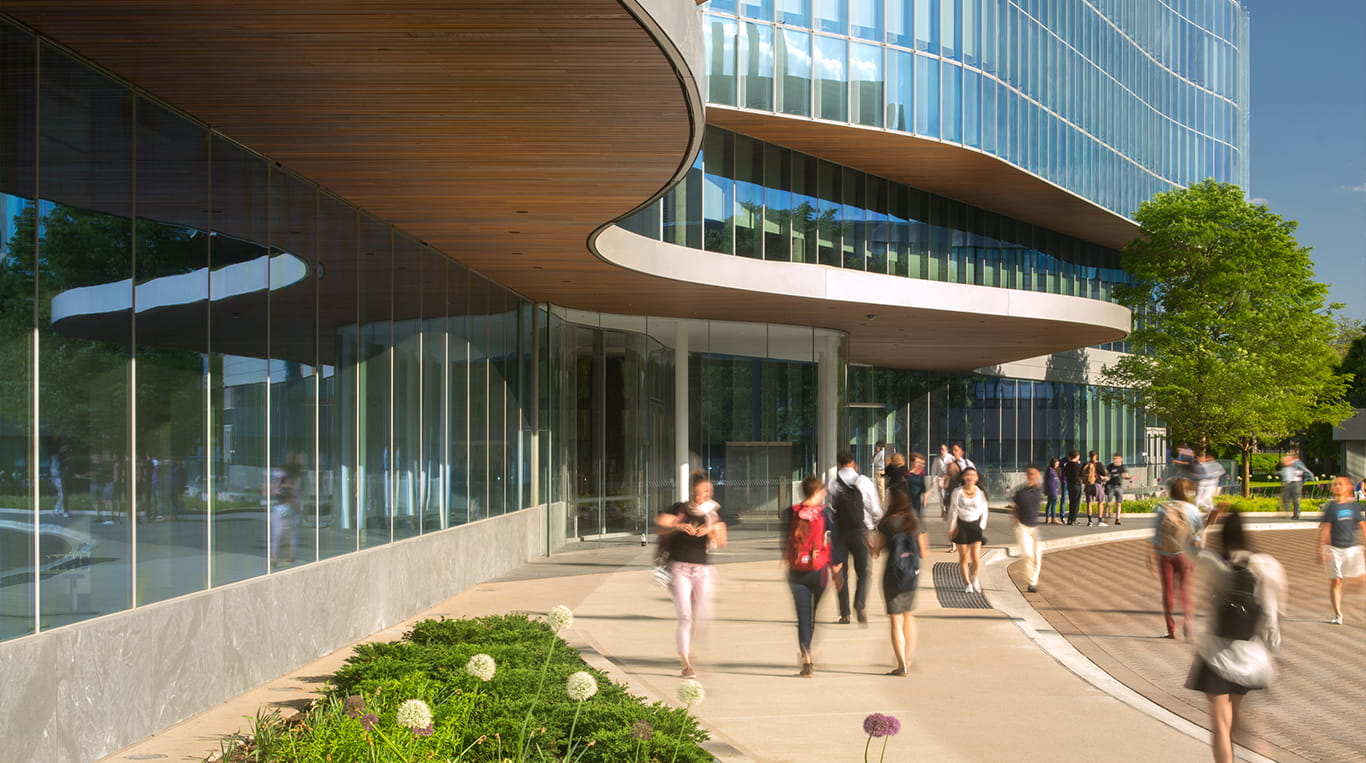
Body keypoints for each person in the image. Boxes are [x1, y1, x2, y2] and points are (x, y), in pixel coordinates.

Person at [1185, 511, 1286, 763]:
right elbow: (1272, 614)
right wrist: (1274, 651)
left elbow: (1188, 547)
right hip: (1248, 655)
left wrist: (1206, 524)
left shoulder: (1213, 562)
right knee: (1235, 715)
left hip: (1215, 653)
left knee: (1219, 721)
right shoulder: (1265, 565)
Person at [657, 471, 727, 677]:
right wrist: (678, 526)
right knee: (685, 617)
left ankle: (688, 646)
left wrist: (710, 530)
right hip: (679, 569)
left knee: (698, 617)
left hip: (702, 570)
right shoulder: (679, 509)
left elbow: (722, 541)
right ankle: (686, 663)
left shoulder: (712, 515)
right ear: (691, 492)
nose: (702, 496)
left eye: (706, 491)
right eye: (699, 492)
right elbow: (659, 526)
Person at [782, 475, 841, 678]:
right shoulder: (826, 514)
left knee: (803, 616)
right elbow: (833, 543)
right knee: (813, 615)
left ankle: (806, 659)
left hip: (796, 570)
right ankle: (808, 650)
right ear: (816, 493)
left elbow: (785, 541)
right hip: (819, 570)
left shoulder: (791, 513)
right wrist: (836, 570)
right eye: (823, 491)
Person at [872, 489, 929, 676]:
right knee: (909, 616)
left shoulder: (886, 523)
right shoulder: (914, 522)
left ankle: (901, 664)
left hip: (892, 575)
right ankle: (909, 658)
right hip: (911, 575)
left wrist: (870, 545)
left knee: (895, 620)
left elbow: (876, 551)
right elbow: (924, 551)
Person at [827, 451, 883, 624]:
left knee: (841, 573)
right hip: (861, 531)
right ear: (853, 462)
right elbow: (875, 509)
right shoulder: (864, 481)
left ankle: (845, 613)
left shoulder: (832, 484)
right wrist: (875, 526)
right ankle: (860, 603)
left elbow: (829, 509)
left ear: (838, 464)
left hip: (839, 532)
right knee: (864, 572)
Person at [1148, 478, 1204, 639]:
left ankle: (1171, 629)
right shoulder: (1191, 509)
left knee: (1168, 591)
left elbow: (1156, 535)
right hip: (1185, 554)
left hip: (1165, 554)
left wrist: (1152, 554)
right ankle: (1188, 621)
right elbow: (1198, 534)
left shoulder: (1161, 508)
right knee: (1185, 590)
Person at [1318, 475, 1365, 625]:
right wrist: (1321, 549)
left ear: (1349, 488)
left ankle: (1353, 593)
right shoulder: (1330, 507)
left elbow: (1363, 526)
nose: (1338, 486)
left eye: (1341, 484)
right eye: (1335, 484)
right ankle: (1338, 613)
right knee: (1336, 581)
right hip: (1333, 549)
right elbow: (1325, 528)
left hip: (1351, 549)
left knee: (1360, 577)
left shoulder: (1353, 507)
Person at [947, 466, 988, 593]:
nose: (970, 477)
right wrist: (951, 528)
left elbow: (984, 509)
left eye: (973, 475)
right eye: (968, 474)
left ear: (977, 478)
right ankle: (967, 583)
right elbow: (953, 511)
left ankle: (975, 578)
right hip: (962, 526)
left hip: (975, 526)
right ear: (963, 477)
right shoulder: (957, 492)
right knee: (963, 557)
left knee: (975, 556)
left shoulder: (980, 492)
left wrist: (981, 525)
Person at [1010, 465, 1045, 593]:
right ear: (1026, 475)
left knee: (1037, 555)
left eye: (1034, 474)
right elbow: (1015, 507)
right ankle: (1031, 582)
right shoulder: (1021, 492)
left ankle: (1033, 581)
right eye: (1029, 473)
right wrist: (1015, 519)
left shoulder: (1038, 490)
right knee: (1028, 555)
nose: (1032, 476)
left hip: (1034, 527)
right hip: (1022, 526)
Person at [1102, 453, 1134, 526]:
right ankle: (1106, 516)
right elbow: (1107, 475)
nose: (1115, 460)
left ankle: (1117, 519)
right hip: (1110, 486)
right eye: (1114, 459)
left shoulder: (1122, 467)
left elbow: (1125, 476)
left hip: (1118, 486)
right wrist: (1105, 478)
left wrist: (1130, 478)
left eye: (1116, 458)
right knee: (1109, 502)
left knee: (1118, 503)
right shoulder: (1110, 466)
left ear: (1120, 459)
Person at [1279, 450, 1310, 519]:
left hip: (1296, 483)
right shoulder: (1288, 466)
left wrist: (1304, 480)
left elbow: (1306, 471)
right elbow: (1286, 473)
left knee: (1296, 499)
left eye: (1290, 455)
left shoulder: (1297, 463)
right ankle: (1287, 513)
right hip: (1289, 483)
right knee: (1286, 498)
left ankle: (1296, 514)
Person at [1081, 451, 1104, 526]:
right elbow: (1103, 473)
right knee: (1100, 502)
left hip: (1088, 485)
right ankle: (1100, 520)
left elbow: (1080, 474)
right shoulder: (1099, 464)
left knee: (1089, 503)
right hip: (1097, 484)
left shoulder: (1086, 464)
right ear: (1096, 456)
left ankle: (1090, 521)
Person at [1062, 450, 1084, 526]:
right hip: (1076, 484)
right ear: (1077, 456)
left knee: (1072, 502)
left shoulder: (1067, 465)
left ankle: (1070, 519)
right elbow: (1081, 474)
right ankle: (1073, 519)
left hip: (1069, 484)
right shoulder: (1077, 465)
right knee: (1076, 502)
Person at [1043, 458, 1062, 524]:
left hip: (1054, 489)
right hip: (1052, 489)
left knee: (1050, 503)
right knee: (1053, 504)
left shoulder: (1053, 470)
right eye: (1056, 464)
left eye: (1058, 464)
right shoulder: (1050, 470)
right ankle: (1052, 518)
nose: (1057, 465)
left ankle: (1049, 517)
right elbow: (1049, 481)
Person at [871, 441, 887, 508]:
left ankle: (882, 505)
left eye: (877, 446)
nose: (876, 448)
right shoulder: (884, 453)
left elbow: (874, 461)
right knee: (880, 488)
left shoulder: (880, 453)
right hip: (881, 471)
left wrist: (875, 455)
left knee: (880, 489)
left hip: (880, 471)